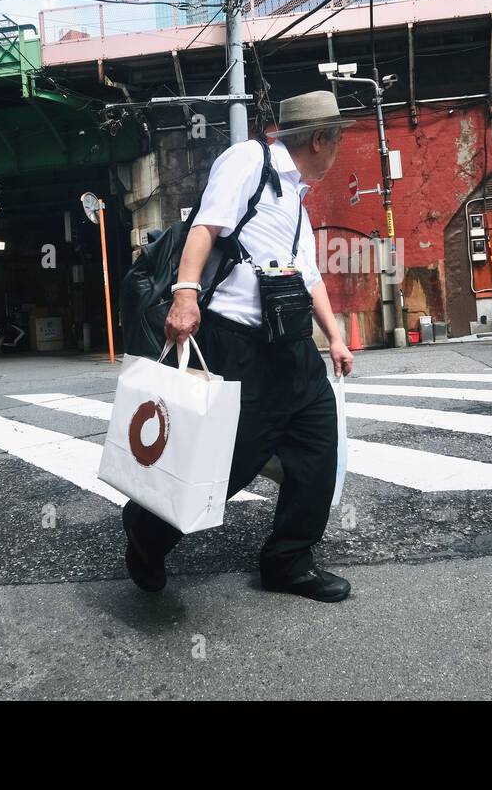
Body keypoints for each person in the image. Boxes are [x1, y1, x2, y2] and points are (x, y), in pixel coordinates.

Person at [122, 90, 357, 603]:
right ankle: (147, 531)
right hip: (238, 344)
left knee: (318, 449)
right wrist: (185, 297)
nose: (336, 155)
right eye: (336, 143)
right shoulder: (248, 160)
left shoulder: (295, 197)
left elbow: (308, 274)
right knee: (228, 461)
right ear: (320, 139)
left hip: (292, 347)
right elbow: (206, 226)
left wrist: (334, 337)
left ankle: (288, 563)